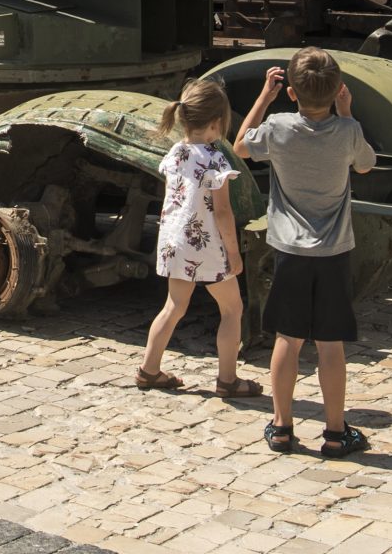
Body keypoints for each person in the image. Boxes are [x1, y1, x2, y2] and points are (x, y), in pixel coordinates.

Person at [232, 47, 376, 456]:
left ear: (291, 93)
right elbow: (365, 165)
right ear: (337, 92)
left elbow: (240, 146)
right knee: (331, 345)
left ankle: (281, 426)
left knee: (287, 339)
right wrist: (347, 113)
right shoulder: (348, 131)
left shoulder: (278, 127)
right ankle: (334, 432)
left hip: (290, 251)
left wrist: (264, 97)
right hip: (333, 252)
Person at [136, 78, 263, 398]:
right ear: (218, 122)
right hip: (205, 246)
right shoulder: (216, 159)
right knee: (232, 310)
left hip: (174, 243)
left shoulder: (177, 152)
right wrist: (234, 255)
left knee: (174, 306)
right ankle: (228, 379)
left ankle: (149, 370)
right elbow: (222, 212)